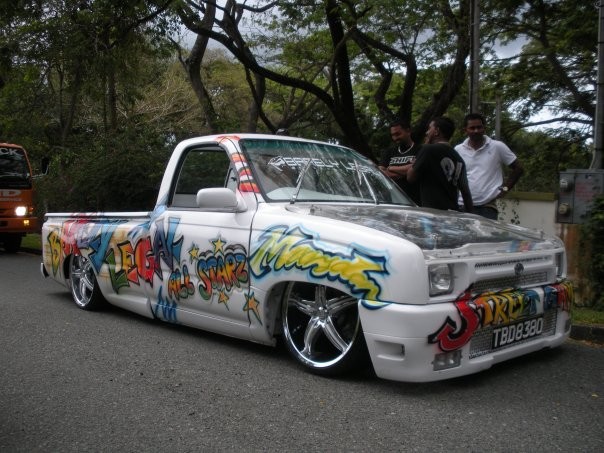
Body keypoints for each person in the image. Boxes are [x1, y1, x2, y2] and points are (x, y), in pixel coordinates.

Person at [455, 113, 524, 220]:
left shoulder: (497, 146)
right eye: (472, 128)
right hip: (462, 205)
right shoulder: (458, 150)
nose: (476, 131)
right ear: (465, 130)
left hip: (487, 207)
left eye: (479, 127)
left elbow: (518, 168)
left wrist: (505, 189)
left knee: (485, 232)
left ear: (484, 128)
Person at [407, 117, 473, 212]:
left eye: (429, 128)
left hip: (432, 213)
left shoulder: (428, 150)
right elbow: (465, 192)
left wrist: (416, 161)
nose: (427, 132)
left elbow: (410, 177)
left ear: (436, 131)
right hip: (452, 212)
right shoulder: (459, 158)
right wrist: (470, 214)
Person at [378, 119, 421, 204]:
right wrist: (406, 172)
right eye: (393, 135)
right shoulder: (389, 152)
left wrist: (391, 168)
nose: (395, 138)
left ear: (408, 131)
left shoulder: (420, 150)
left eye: (398, 134)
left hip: (415, 201)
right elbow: (380, 173)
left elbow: (417, 168)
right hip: (393, 201)